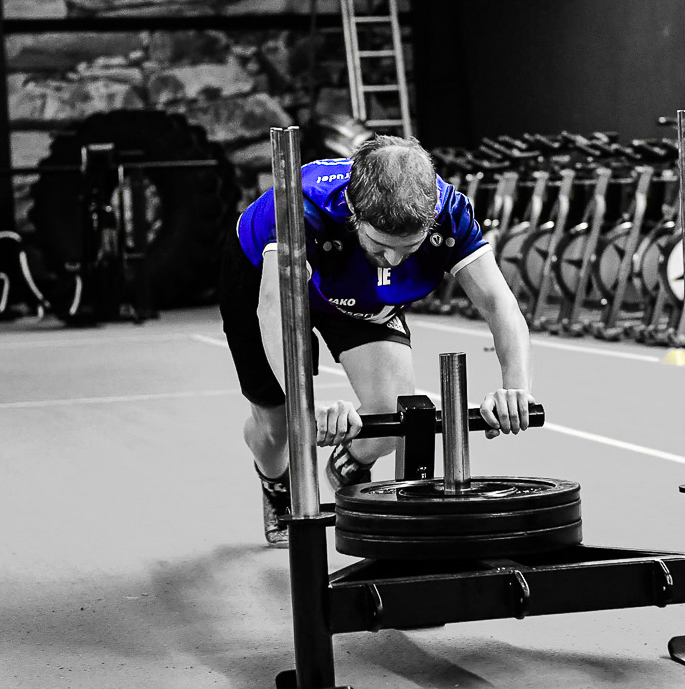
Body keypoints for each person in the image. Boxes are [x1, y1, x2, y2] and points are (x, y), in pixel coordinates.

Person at [221, 135, 536, 547]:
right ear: (354, 212)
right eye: (381, 245)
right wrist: (306, 406)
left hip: (357, 296)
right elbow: (273, 310)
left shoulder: (450, 210)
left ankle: (348, 462)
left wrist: (516, 389)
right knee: (279, 428)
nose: (393, 262)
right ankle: (276, 482)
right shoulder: (302, 206)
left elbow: (499, 304)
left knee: (392, 419)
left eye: (409, 249)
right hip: (262, 284)